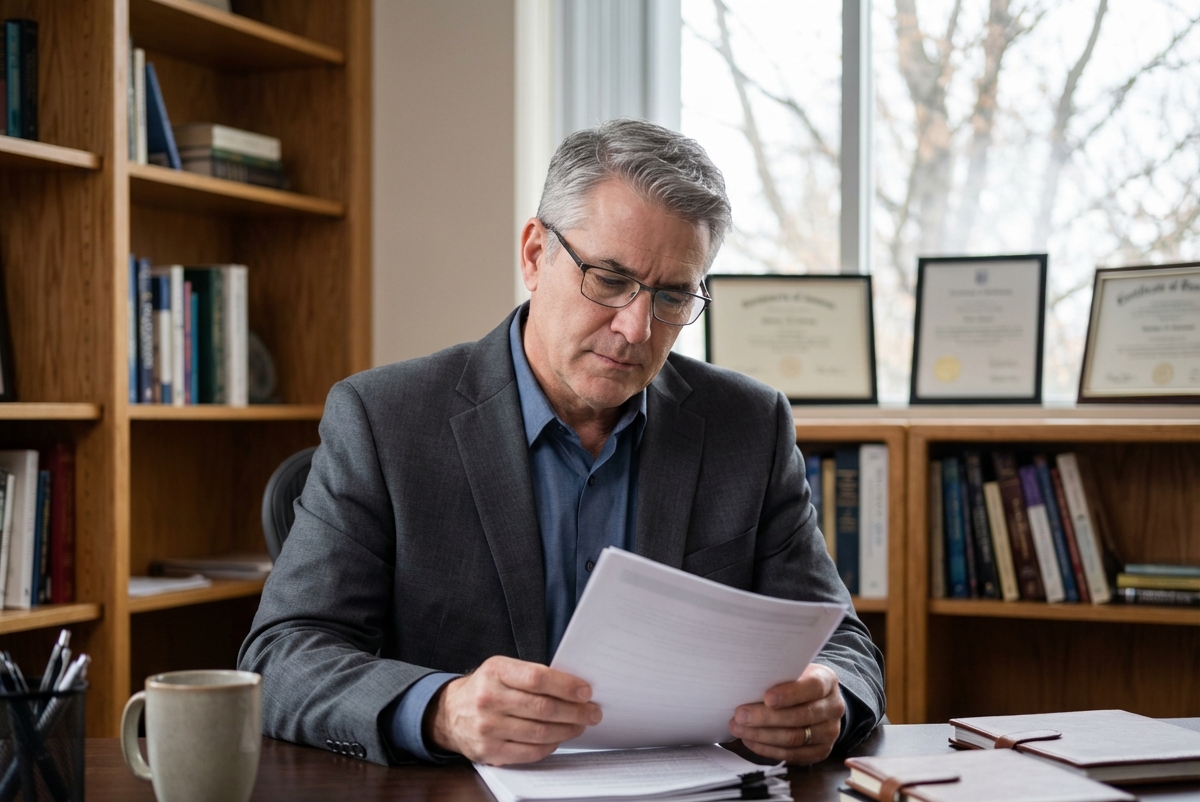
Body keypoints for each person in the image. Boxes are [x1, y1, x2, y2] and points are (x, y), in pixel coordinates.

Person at [239, 119, 885, 768]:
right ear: (533, 255)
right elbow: (283, 655)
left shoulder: (748, 427)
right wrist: (442, 710)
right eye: (608, 279)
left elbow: (845, 646)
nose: (635, 328)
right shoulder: (384, 422)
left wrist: (826, 698)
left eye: (672, 297)